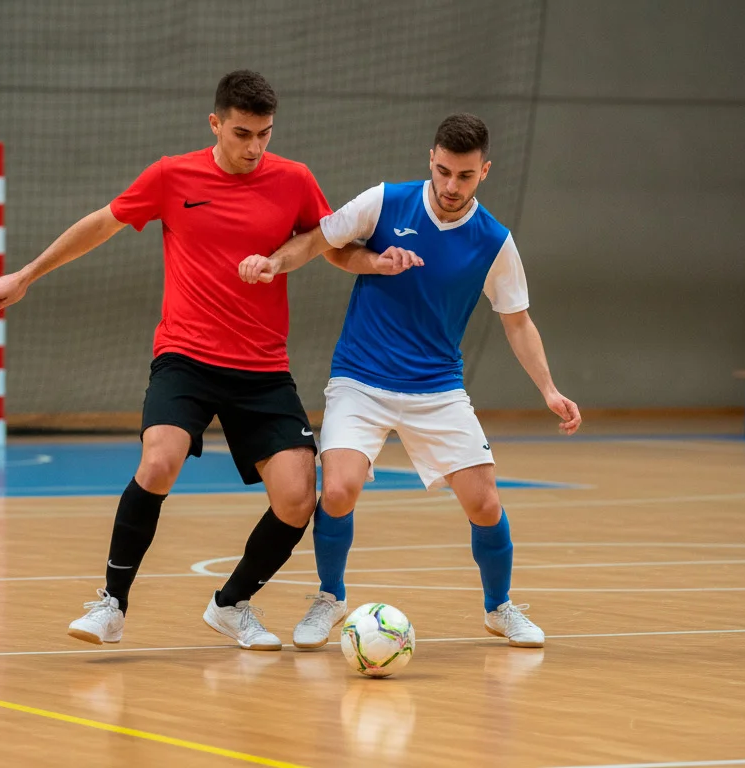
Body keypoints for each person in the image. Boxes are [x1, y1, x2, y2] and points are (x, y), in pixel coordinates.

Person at [0, 70, 336, 651]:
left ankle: (231, 604)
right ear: (215, 124)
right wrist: (26, 275)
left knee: (298, 499)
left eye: (265, 134)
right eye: (242, 133)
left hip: (262, 365)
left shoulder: (295, 179)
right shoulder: (173, 175)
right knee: (159, 461)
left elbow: (322, 238)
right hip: (186, 356)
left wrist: (287, 259)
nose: (254, 147)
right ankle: (111, 605)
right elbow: (102, 224)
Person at [237, 113, 581, 649]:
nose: (451, 186)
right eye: (443, 171)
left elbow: (517, 321)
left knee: (485, 503)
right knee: (338, 489)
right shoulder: (384, 201)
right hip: (360, 378)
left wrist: (549, 390)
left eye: (464, 176)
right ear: (431, 159)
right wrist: (278, 264)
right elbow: (320, 241)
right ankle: (330, 597)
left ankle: (500, 607)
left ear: (484, 171)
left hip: (437, 387)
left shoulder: (494, 241)